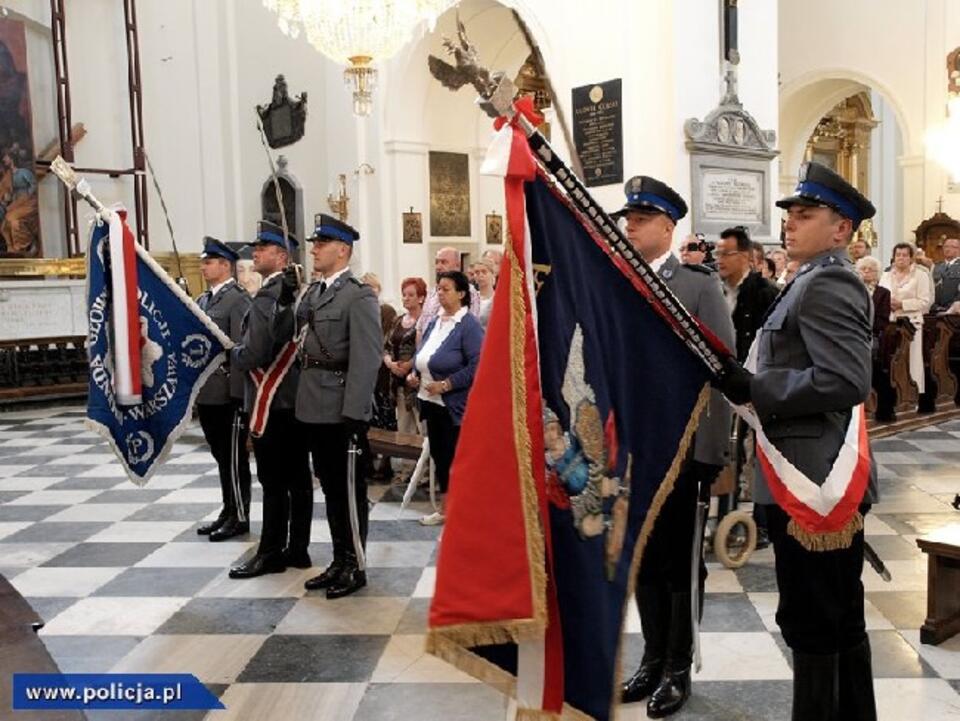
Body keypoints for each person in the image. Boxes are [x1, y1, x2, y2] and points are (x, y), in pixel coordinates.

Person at [716, 161, 879, 721]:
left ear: (841, 229)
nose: (790, 223)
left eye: (805, 214)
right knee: (830, 615)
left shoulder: (830, 281)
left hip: (815, 481)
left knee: (816, 618)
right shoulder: (806, 280)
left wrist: (758, 386)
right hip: (802, 470)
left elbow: (845, 380)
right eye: (790, 214)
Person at [614, 175, 735, 718]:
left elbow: (721, 373)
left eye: (640, 220)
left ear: (668, 225)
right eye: (628, 220)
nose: (630, 226)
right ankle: (651, 656)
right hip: (636, 446)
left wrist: (709, 452)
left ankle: (678, 667)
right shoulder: (619, 281)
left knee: (679, 563)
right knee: (643, 558)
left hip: (684, 451)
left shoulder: (697, 286)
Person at [284, 213, 382, 599]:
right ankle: (339, 559)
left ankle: (354, 564)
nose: (314, 249)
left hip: (341, 408)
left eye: (321, 244)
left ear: (342, 250)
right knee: (330, 488)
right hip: (312, 406)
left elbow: (367, 358)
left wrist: (354, 414)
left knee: (349, 492)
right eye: (314, 244)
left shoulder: (357, 296)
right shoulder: (313, 293)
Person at [228, 221, 312, 578]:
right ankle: (297, 549)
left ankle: (271, 552)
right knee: (298, 479)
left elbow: (258, 352)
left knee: (274, 480)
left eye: (262, 249)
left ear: (281, 257)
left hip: (272, 401)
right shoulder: (296, 292)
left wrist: (233, 352)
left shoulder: (267, 295)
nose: (254, 253)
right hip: (293, 400)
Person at [715, 226, 779, 548]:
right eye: (717, 253)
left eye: (726, 253)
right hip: (723, 385)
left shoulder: (764, 292)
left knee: (758, 455)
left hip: (755, 385)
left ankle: (762, 523)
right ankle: (727, 518)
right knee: (728, 453)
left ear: (745, 256)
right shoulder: (715, 290)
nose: (719, 260)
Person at [406, 270, 483, 526]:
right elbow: (424, 353)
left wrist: (448, 384)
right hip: (431, 401)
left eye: (446, 289)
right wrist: (415, 373)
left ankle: (462, 512)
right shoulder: (435, 321)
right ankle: (445, 508)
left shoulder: (468, 326)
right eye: (438, 289)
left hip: (454, 405)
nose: (440, 293)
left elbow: (477, 364)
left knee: (455, 459)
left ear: (461, 294)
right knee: (440, 456)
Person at [195, 237, 253, 542]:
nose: (203, 266)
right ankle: (228, 508)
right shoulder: (204, 300)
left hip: (228, 394)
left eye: (208, 261)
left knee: (233, 457)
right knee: (221, 455)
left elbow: (240, 349)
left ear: (225, 265)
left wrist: (238, 395)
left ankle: (240, 515)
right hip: (207, 392)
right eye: (204, 262)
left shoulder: (237, 299)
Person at [880, 243, 931, 393]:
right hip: (890, 322)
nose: (901, 258)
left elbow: (924, 301)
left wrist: (902, 304)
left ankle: (913, 393)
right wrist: (886, 304)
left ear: (911, 258)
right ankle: (893, 392)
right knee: (891, 359)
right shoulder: (886, 274)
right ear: (893, 257)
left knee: (912, 360)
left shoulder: (921, 275)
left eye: (904, 255)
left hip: (911, 323)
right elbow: (880, 295)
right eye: (898, 255)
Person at [385, 277, 427, 435]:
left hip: (418, 383)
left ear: (421, 298)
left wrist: (410, 364)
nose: (406, 298)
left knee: (423, 430)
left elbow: (425, 349)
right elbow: (386, 347)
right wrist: (390, 364)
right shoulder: (398, 320)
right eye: (404, 295)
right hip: (398, 382)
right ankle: (406, 461)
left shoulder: (426, 321)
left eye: (410, 295)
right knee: (404, 430)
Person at [417, 247, 481, 336]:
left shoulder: (468, 291)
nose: (438, 267)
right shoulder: (432, 292)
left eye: (444, 262)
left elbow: (471, 328)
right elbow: (420, 327)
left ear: (457, 266)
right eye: (437, 262)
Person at [857, 256, 891, 347]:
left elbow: (883, 318)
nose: (866, 271)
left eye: (870, 269)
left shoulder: (884, 293)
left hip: (872, 334)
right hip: (853, 332)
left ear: (877, 273)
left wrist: (867, 328)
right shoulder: (853, 290)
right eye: (863, 268)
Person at [932, 236, 960, 311]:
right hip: (935, 310)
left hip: (955, 311)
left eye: (953, 247)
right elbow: (931, 288)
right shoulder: (937, 266)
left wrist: (952, 307)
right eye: (946, 246)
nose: (948, 249)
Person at [473, 258, 496, 330]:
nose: (480, 275)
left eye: (484, 272)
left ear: (492, 274)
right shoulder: (471, 297)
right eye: (477, 272)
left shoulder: (497, 298)